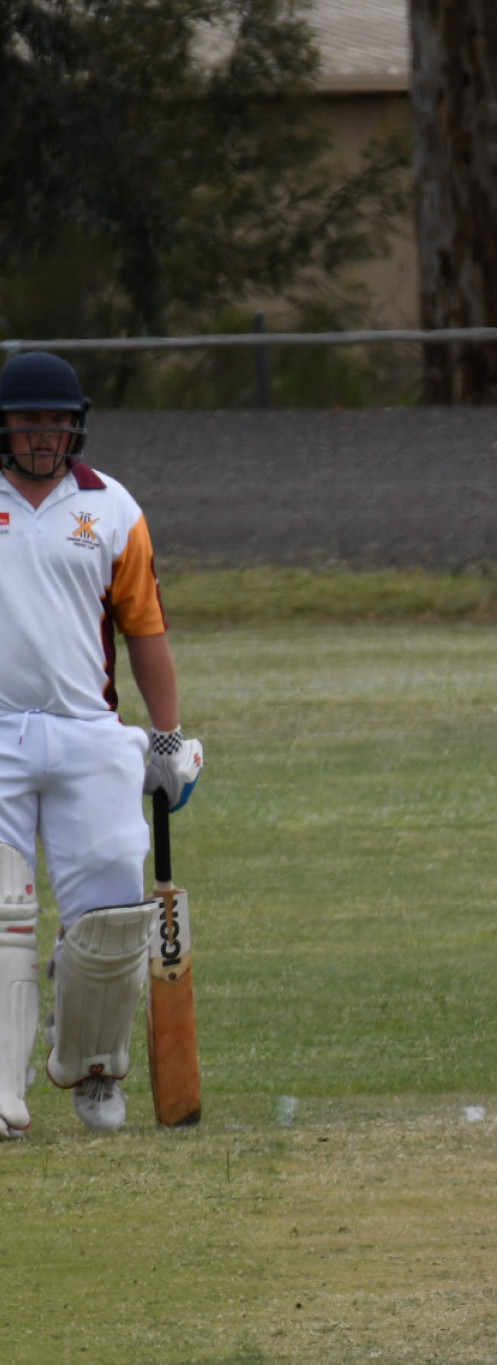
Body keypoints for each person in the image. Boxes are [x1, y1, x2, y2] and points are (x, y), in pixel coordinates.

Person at [0, 350, 204, 1136]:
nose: (43, 435)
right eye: (29, 421)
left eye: (57, 421)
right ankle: (4, 1079)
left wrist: (167, 736)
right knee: (3, 907)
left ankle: (90, 1064)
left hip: (89, 730)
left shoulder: (112, 507)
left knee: (115, 911)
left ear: (75, 426)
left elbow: (144, 629)